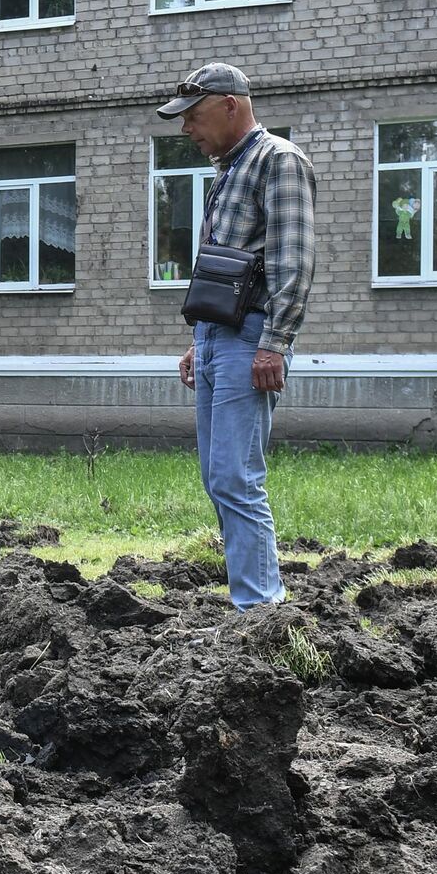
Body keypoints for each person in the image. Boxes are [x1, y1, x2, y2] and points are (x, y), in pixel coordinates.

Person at [158, 62, 315, 610]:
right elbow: (224, 268)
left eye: (193, 117)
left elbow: (292, 262)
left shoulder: (279, 161)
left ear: (230, 106)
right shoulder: (229, 169)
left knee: (236, 477)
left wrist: (275, 342)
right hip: (217, 338)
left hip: (252, 340)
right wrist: (198, 340)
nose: (186, 130)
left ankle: (260, 611)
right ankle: (253, 604)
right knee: (217, 477)